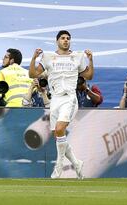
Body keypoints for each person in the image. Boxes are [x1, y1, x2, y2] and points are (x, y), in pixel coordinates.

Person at [29, 30, 94, 179]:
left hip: (69, 97)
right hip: (55, 99)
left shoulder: (77, 56)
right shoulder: (48, 57)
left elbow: (89, 76)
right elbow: (32, 74)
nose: (66, 40)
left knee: (59, 129)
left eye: (68, 38)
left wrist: (91, 60)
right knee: (58, 133)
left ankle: (58, 166)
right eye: (63, 38)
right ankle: (77, 163)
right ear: (57, 41)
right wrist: (33, 58)